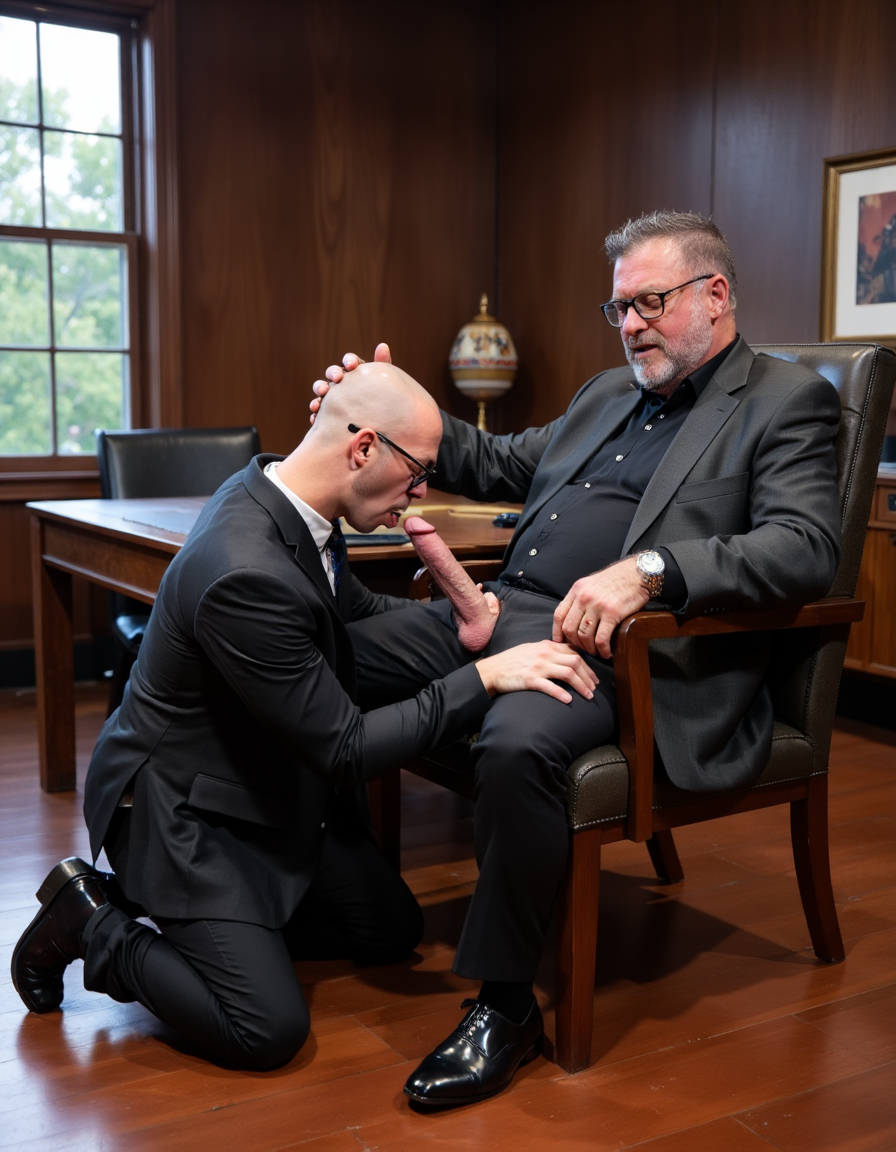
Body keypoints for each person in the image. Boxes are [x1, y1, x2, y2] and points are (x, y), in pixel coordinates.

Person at [312, 210, 842, 1107]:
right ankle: (316, 876)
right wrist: (380, 399)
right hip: (495, 616)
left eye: (650, 302)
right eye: (619, 307)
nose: (631, 323)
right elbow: (491, 456)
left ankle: (508, 1006)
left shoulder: (785, 400)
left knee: (518, 743)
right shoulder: (606, 393)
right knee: (315, 649)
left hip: (629, 655)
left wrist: (651, 570)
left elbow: (805, 547)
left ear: (716, 296)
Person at [10, 361, 598, 1072]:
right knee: (265, 1029)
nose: (420, 494)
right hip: (184, 812)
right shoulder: (243, 570)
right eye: (417, 474)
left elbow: (349, 615)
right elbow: (346, 749)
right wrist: (483, 677)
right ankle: (91, 922)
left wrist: (462, 622)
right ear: (363, 449)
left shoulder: (287, 495)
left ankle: (233, 923)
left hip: (263, 785)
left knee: (390, 929)